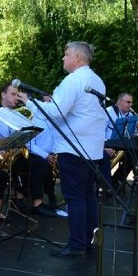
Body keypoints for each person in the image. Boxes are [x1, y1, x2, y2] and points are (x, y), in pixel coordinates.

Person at [44, 41, 106, 257]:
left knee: (74, 197)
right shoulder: (96, 79)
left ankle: (77, 244)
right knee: (87, 194)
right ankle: (89, 240)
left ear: (78, 57)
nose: (63, 57)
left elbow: (56, 112)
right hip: (92, 149)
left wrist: (31, 103)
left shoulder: (73, 80)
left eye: (66, 54)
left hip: (73, 148)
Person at [0, 83, 57, 218]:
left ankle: (34, 201)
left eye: (17, 95)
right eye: (13, 94)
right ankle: (20, 195)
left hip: (16, 156)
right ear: (3, 95)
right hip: (1, 157)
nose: (16, 98)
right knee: (39, 163)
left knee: (40, 163)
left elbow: (28, 138)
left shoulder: (18, 114)